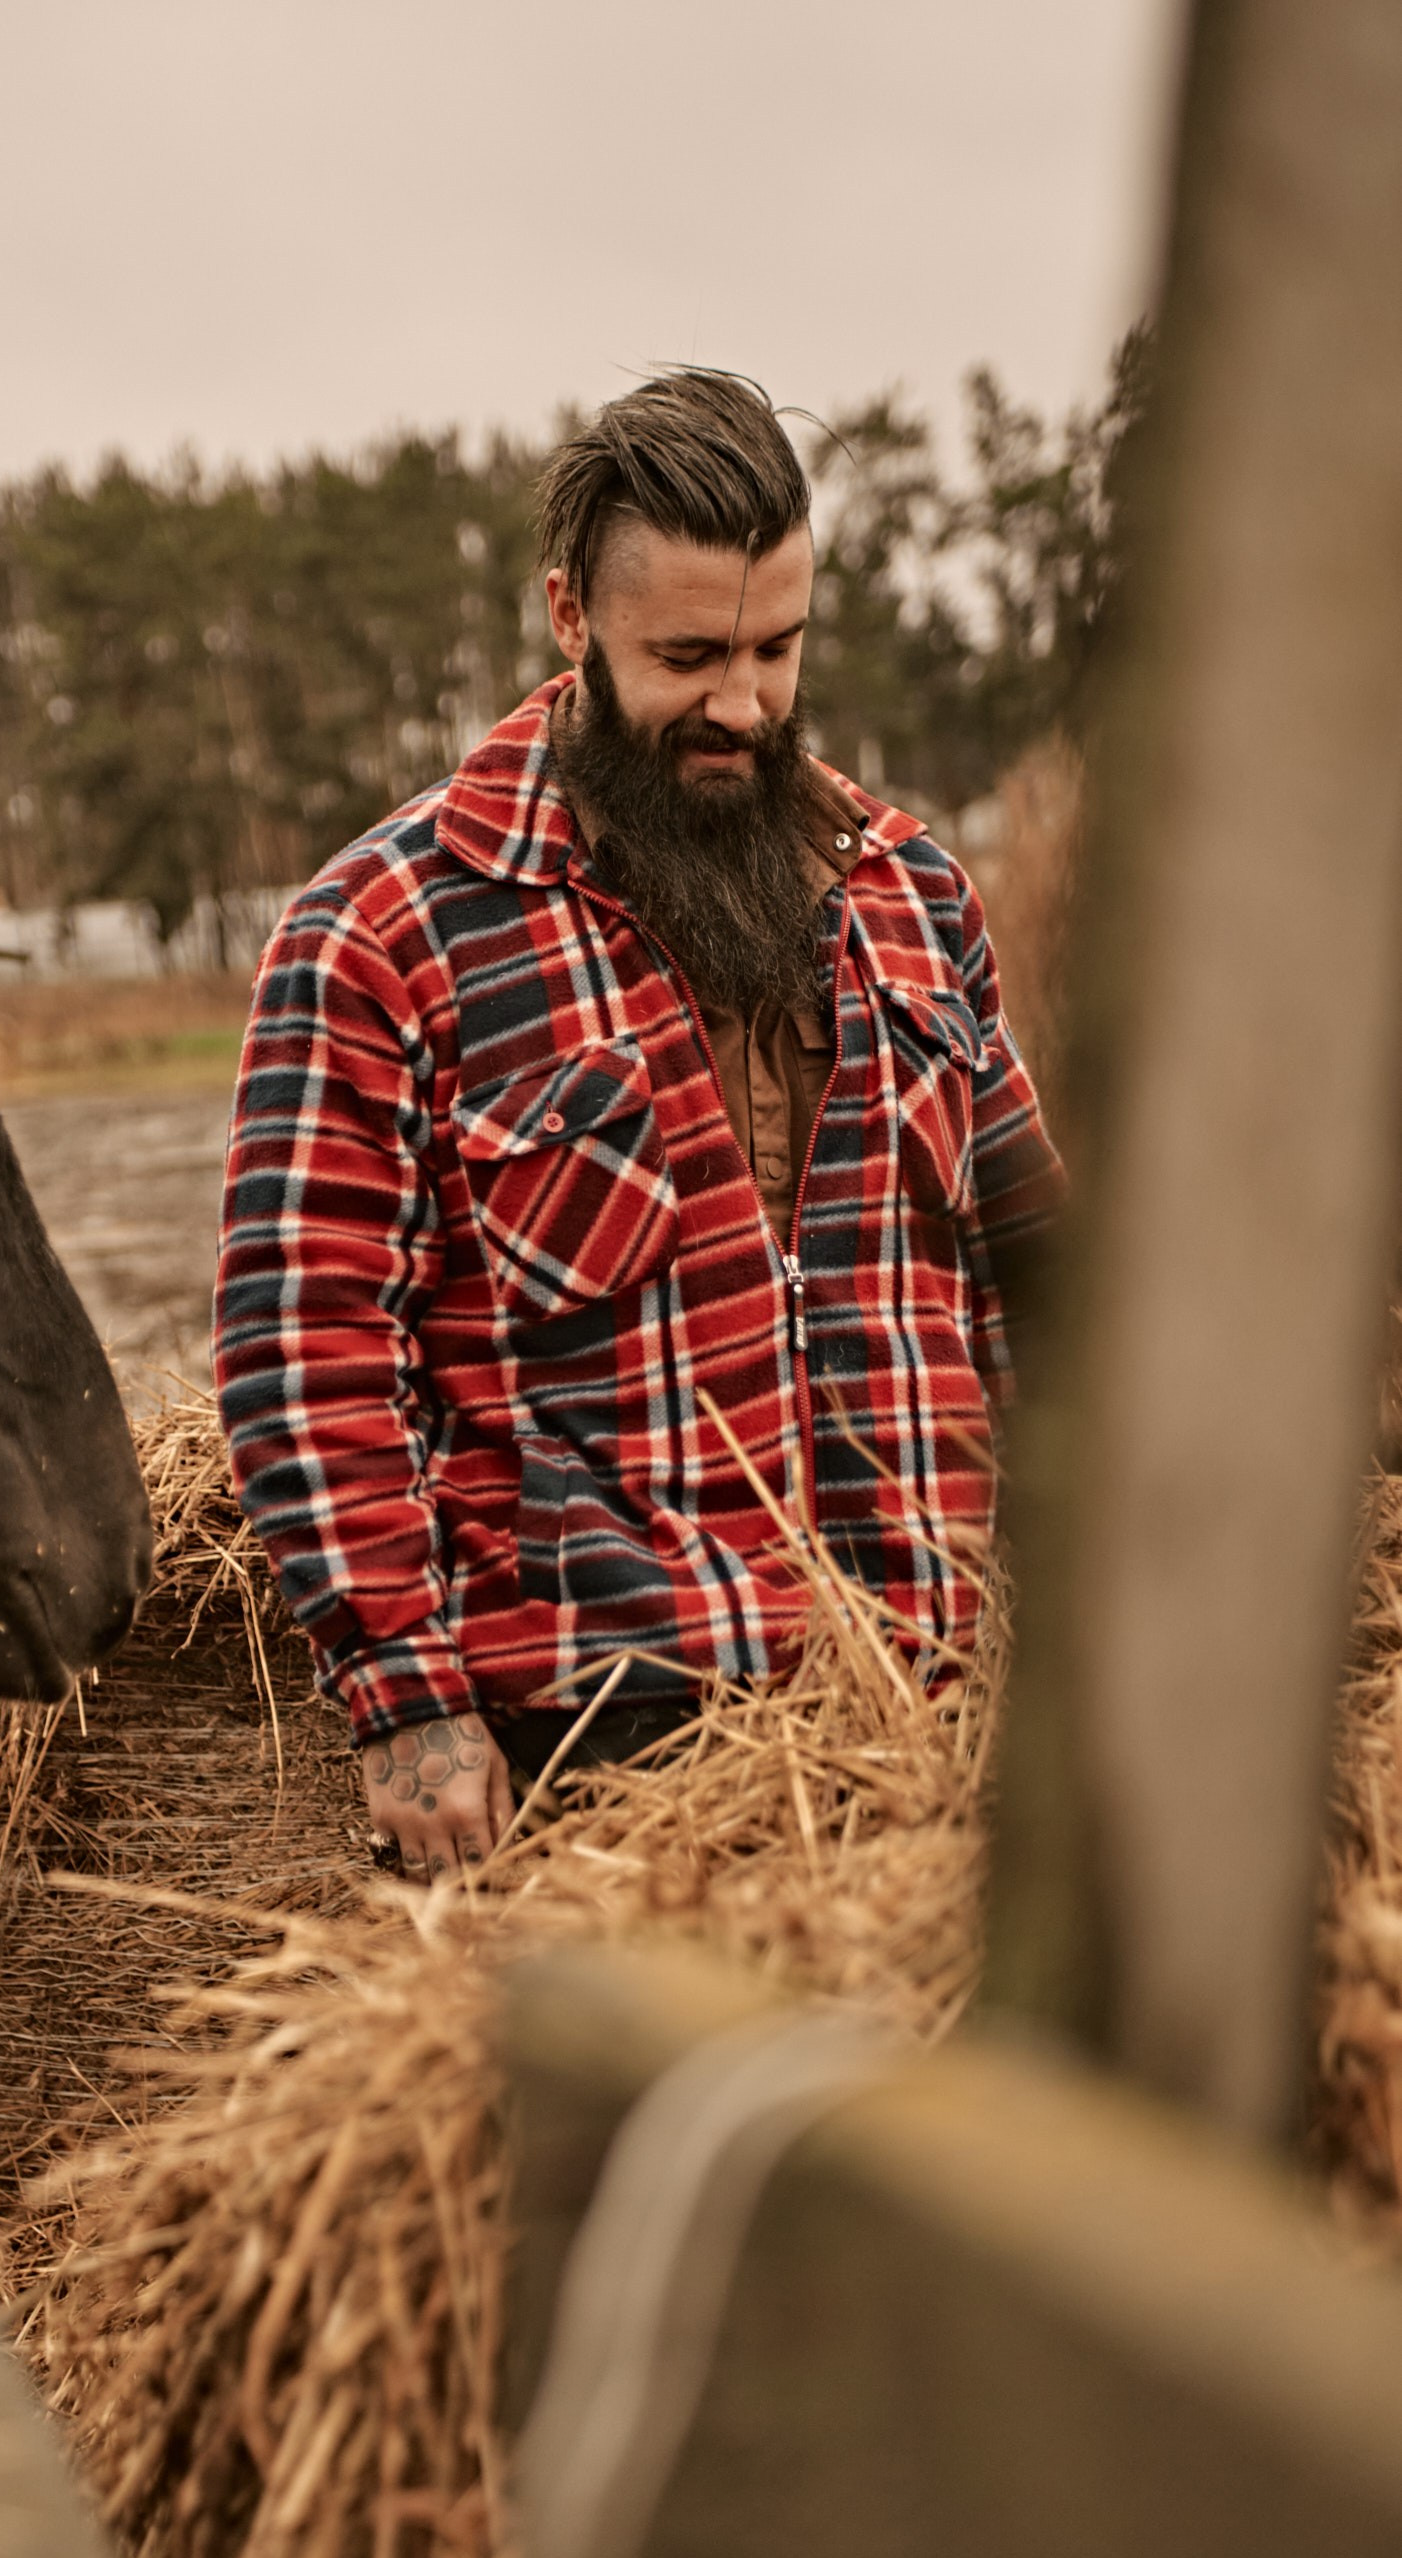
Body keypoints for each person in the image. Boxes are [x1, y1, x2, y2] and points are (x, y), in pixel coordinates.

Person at [214, 369, 1064, 1879]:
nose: (741, 702)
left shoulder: (911, 895)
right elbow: (307, 1351)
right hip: (605, 1743)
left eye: (775, 647)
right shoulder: (381, 931)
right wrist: (406, 1701)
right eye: (686, 655)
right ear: (567, 618)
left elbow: (1033, 1276)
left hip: (917, 1707)